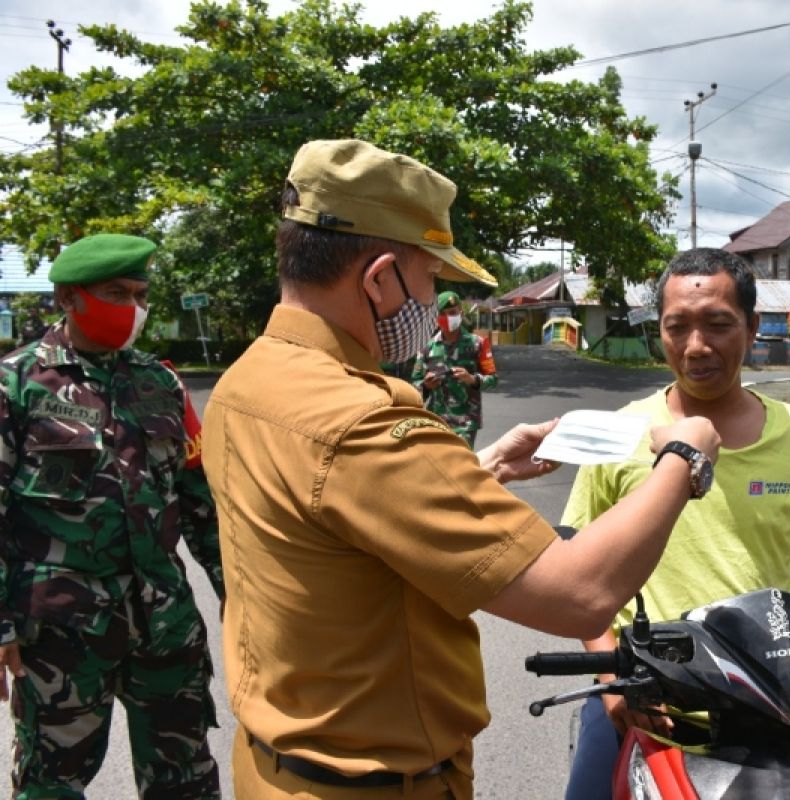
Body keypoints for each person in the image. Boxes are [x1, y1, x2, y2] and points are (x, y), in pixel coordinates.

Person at [200, 138, 721, 799]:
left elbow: (329, 519)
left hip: (276, 765)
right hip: (377, 785)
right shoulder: (362, 421)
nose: (433, 302)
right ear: (379, 278)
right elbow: (579, 594)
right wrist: (687, 452)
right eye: (431, 280)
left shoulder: (250, 380)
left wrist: (479, 470)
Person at [560, 247, 790, 800]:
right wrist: (611, 686)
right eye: (678, 327)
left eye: (718, 325)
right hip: (644, 695)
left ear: (752, 325)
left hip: (767, 699)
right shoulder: (623, 434)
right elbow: (579, 572)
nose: (697, 347)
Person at [0, 233, 224, 799]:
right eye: (116, 291)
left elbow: (201, 504)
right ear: (68, 298)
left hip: (165, 623)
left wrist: (239, 595)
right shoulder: (16, 384)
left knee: (187, 779)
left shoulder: (161, 382)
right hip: (62, 633)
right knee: (51, 785)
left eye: (141, 294)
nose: (132, 308)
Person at [411, 290, 497, 447]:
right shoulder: (426, 347)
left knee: (461, 467)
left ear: (461, 313)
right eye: (442, 313)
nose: (447, 317)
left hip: (466, 422)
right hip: (435, 421)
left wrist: (472, 379)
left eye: (452, 312)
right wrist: (425, 386)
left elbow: (492, 378)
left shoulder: (478, 344)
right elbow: (414, 384)